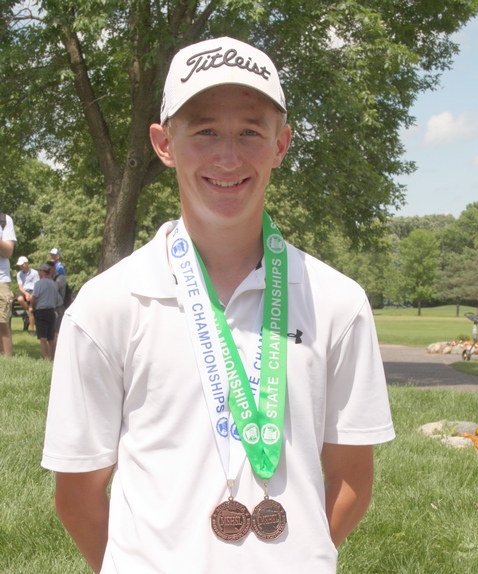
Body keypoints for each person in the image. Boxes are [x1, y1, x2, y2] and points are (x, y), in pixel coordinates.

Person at [42, 37, 395, 573]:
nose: (228, 157)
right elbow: (76, 498)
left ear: (280, 145)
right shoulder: (106, 306)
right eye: (205, 131)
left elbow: (352, 481)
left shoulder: (338, 303)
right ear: (164, 143)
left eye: (250, 131)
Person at [31, 263, 57, 360]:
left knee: (42, 337)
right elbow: (57, 299)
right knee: (51, 338)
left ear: (42, 271)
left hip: (41, 311)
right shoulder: (54, 284)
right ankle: (52, 359)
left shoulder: (38, 284)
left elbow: (33, 299)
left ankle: (45, 358)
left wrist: (33, 308)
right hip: (51, 311)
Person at [0, 211, 16, 356]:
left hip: (1, 280)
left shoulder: (4, 220)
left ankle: (7, 362)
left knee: (2, 322)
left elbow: (8, 252)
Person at [16, 256, 39, 334]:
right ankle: (28, 309)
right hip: (23, 290)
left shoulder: (34, 273)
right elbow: (20, 287)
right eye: (20, 265)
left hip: (33, 290)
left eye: (22, 264)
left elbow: (36, 285)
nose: (21, 266)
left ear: (26, 263)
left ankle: (31, 330)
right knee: (20, 299)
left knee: (31, 310)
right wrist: (26, 294)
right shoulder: (19, 274)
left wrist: (32, 295)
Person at [46, 260, 66, 335]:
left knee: (59, 329)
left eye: (49, 269)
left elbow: (55, 287)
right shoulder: (46, 279)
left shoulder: (61, 277)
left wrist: (49, 277)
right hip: (50, 305)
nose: (48, 271)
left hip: (59, 306)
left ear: (53, 268)